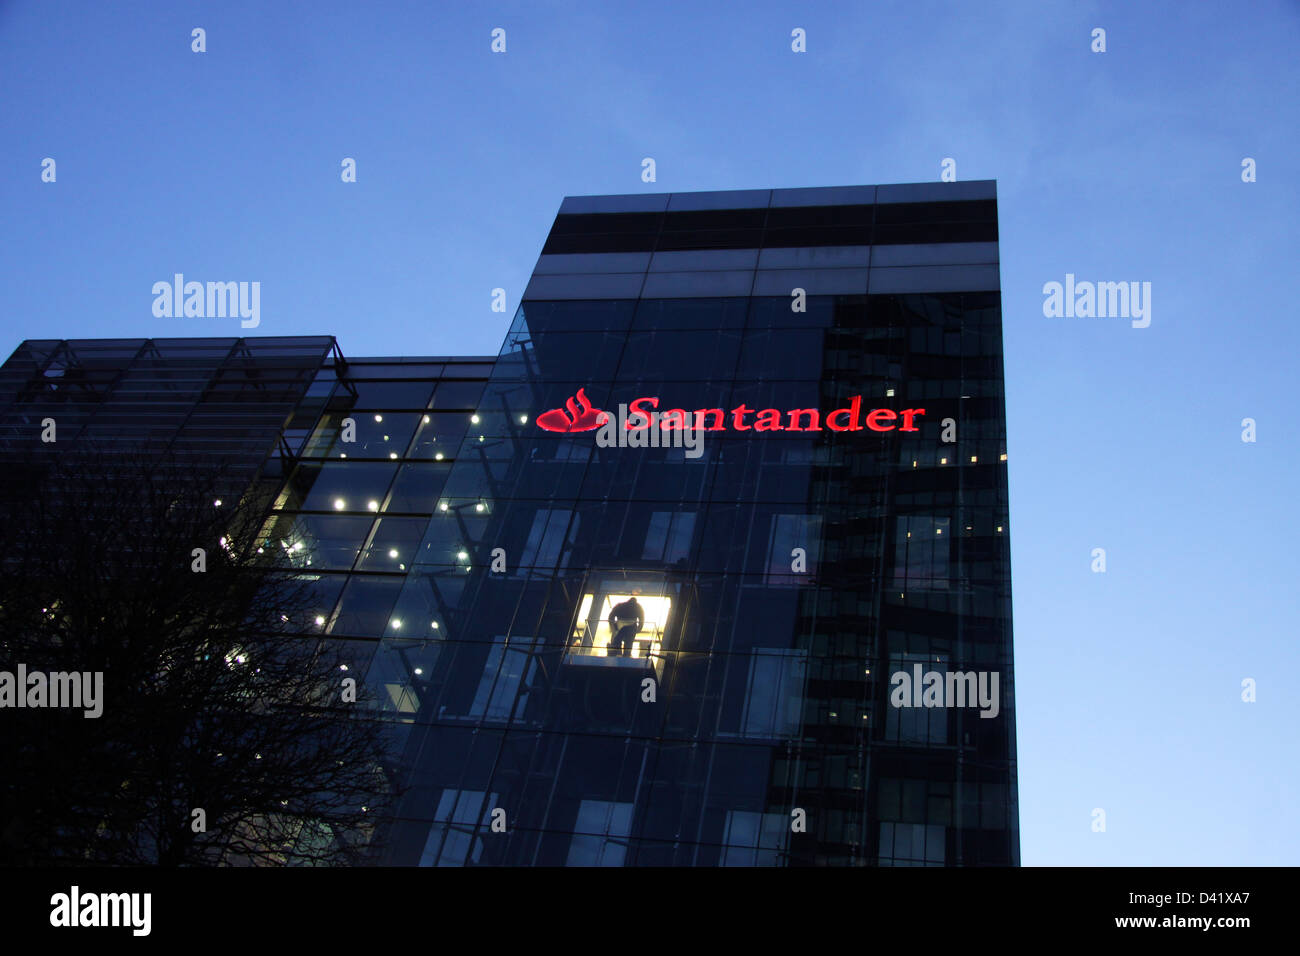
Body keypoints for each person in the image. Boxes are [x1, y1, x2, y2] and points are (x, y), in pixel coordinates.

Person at [607, 593, 644, 657]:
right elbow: (642, 618)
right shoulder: (638, 607)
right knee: (628, 643)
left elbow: (611, 616)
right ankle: (626, 655)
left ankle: (614, 654)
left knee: (617, 641)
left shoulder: (620, 605)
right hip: (631, 627)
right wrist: (639, 628)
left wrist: (612, 627)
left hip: (619, 625)